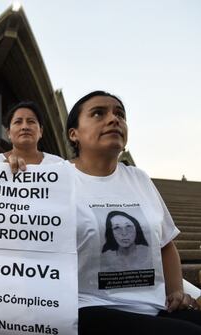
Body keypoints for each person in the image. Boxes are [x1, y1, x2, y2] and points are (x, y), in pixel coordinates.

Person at [66, 91, 201, 334]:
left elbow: (166, 244)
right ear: (73, 133)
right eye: (99, 113)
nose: (113, 119)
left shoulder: (138, 178)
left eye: (119, 114)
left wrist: (176, 291)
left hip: (153, 306)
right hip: (88, 308)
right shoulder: (56, 179)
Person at [0, 101, 63, 166]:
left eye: (31, 121)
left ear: (41, 131)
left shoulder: (58, 164)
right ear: (8, 133)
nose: (25, 127)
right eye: (18, 122)